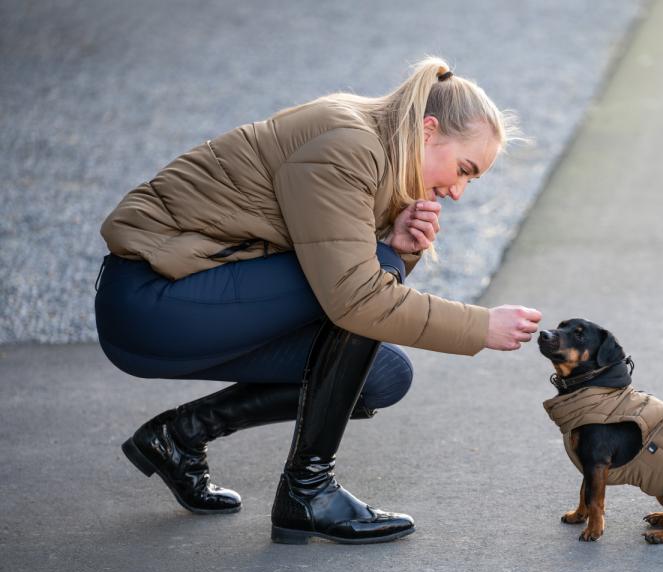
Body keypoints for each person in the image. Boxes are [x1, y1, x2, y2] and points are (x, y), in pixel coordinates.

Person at [94, 57, 542, 545]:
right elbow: (357, 298)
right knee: (365, 288)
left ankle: (180, 436)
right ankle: (308, 492)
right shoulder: (346, 145)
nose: (457, 192)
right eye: (464, 170)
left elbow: (347, 276)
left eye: (470, 182)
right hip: (150, 302)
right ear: (429, 131)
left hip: (198, 298)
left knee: (382, 376)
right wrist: (481, 326)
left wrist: (395, 251)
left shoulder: (378, 150)